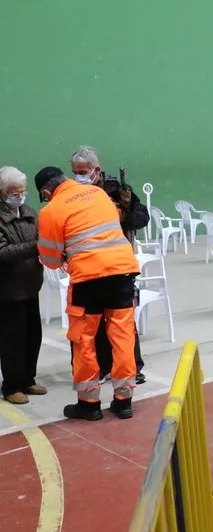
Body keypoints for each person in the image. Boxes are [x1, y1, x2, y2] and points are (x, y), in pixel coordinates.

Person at [36, 166, 140, 421]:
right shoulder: (98, 193)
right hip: (122, 271)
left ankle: (89, 403)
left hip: (88, 279)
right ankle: (124, 401)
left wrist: (65, 255)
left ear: (46, 192)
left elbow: (50, 259)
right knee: (122, 335)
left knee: (84, 339)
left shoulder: (51, 210)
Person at [69, 146, 148, 385]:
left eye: (83, 171)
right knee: (94, 323)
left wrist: (124, 215)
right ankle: (103, 367)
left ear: (97, 169)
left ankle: (133, 367)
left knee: (123, 322)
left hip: (119, 266)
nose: (79, 176)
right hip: (89, 267)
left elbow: (142, 218)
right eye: (75, 172)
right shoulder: (72, 194)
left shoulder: (117, 190)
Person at [0, 167, 46, 404]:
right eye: (14, 192)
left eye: (23, 191)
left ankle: (28, 379)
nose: (20, 196)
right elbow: (3, 252)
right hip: (8, 290)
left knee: (33, 336)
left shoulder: (29, 212)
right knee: (12, 340)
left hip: (31, 285)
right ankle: (11, 386)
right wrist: (35, 246)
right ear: (2, 192)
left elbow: (41, 237)